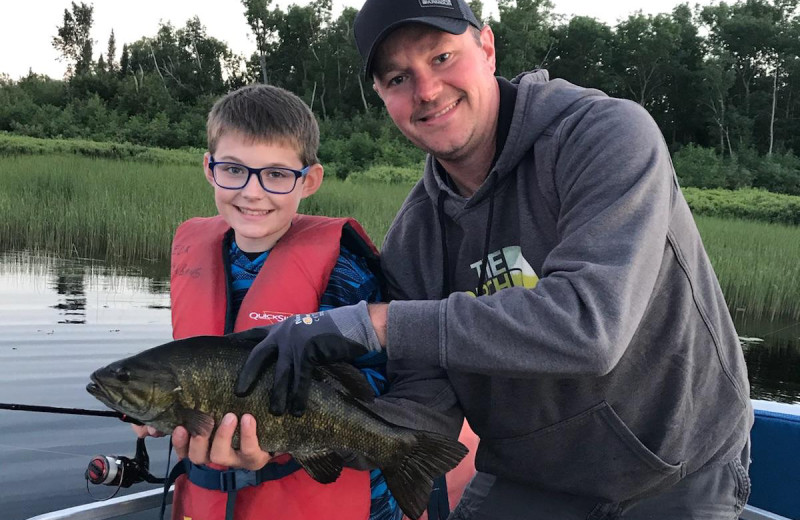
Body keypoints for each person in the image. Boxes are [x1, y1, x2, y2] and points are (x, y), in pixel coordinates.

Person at [202, 1, 754, 519]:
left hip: (677, 469)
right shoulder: (416, 237)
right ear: (381, 94)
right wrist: (285, 433)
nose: (426, 89)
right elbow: (426, 408)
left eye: (442, 57)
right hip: (529, 474)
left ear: (487, 48)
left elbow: (591, 326)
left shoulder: (606, 136)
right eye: (398, 78)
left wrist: (371, 323)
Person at [134, 84, 401, 520]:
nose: (252, 193)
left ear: (309, 180)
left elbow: (374, 385)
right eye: (234, 170)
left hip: (327, 497)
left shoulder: (345, 270)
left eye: (276, 174)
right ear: (209, 168)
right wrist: (156, 409)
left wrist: (280, 429)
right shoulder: (193, 255)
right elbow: (193, 373)